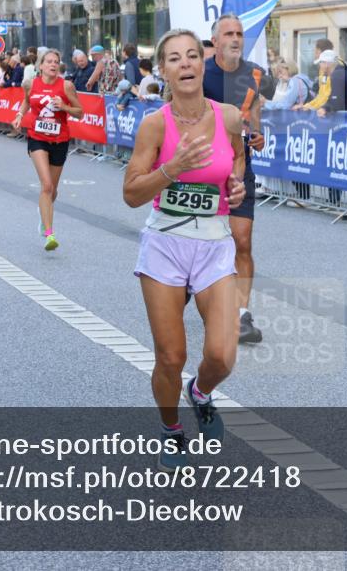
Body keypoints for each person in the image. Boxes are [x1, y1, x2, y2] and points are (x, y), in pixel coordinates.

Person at [122, 29, 246, 473]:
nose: (186, 64)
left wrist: (236, 184)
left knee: (222, 354)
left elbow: (237, 158)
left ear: (202, 64)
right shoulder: (155, 124)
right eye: (174, 59)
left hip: (213, 244)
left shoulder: (229, 116)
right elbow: (132, 194)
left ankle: (200, 393)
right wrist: (171, 170)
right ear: (164, 71)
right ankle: (171, 427)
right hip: (166, 244)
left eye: (193, 55)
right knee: (170, 356)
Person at [202, 14, 275, 344]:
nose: (235, 39)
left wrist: (258, 135)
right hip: (202, 168)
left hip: (239, 167)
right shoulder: (200, 73)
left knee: (242, 240)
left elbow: (254, 115)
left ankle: (242, 314)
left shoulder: (254, 75)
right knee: (207, 242)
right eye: (228, 34)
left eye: (239, 34)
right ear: (215, 41)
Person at [11, 49, 84, 251]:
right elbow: (27, 100)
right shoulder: (30, 84)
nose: (53, 65)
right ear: (41, 65)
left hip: (60, 140)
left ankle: (44, 214)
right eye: (49, 61)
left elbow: (80, 113)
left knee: (53, 189)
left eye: (56, 62)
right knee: (46, 186)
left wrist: (65, 107)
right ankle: (49, 233)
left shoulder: (67, 86)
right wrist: (19, 115)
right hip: (37, 138)